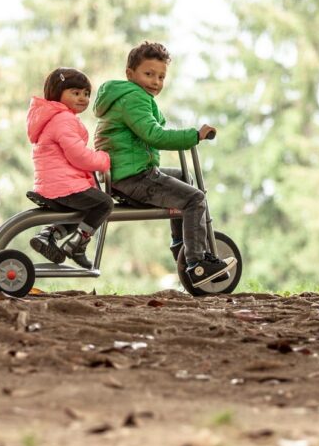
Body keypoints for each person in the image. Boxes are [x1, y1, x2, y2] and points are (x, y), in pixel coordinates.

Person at [94, 41, 235, 288]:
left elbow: (151, 132)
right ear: (130, 74)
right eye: (148, 74)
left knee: (182, 176)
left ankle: (183, 248)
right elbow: (154, 135)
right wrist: (194, 135)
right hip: (133, 178)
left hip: (125, 175)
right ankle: (197, 263)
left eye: (161, 76)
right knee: (195, 198)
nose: (155, 82)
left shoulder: (130, 98)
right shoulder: (133, 98)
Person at [26, 67, 114, 269]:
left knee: (83, 210)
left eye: (86, 94)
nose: (83, 98)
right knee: (104, 204)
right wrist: (103, 159)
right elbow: (79, 156)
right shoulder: (64, 120)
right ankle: (77, 246)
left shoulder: (57, 118)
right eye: (75, 93)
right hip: (62, 186)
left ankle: (48, 235)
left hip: (52, 185)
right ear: (58, 94)